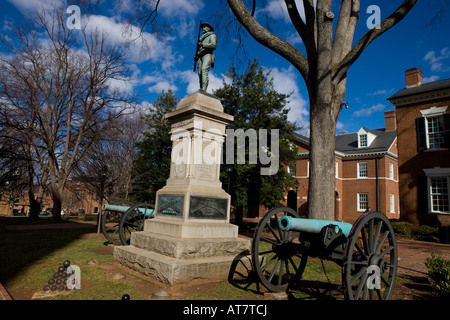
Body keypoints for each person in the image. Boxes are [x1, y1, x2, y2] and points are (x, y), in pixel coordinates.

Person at [194, 22, 217, 92]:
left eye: (204, 27)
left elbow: (213, 45)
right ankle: (201, 88)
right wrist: (197, 56)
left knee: (204, 70)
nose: (203, 28)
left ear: (208, 28)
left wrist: (203, 44)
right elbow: (199, 50)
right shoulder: (201, 38)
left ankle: (204, 89)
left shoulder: (212, 35)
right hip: (200, 56)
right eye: (202, 27)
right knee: (200, 73)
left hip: (207, 54)